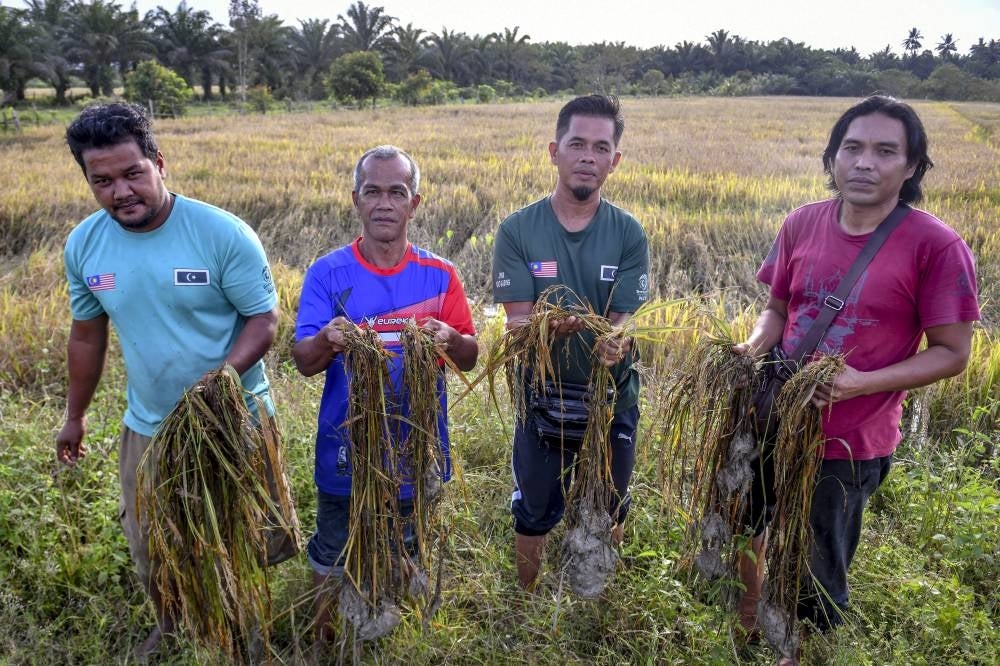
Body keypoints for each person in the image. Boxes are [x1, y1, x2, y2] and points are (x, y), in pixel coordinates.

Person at [733, 95, 980, 663]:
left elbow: (952, 353)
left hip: (850, 440)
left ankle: (800, 651)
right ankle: (748, 625)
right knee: (750, 522)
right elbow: (776, 309)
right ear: (833, 157)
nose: (865, 162)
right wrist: (751, 347)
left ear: (912, 166)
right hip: (774, 412)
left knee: (818, 561)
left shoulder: (936, 247)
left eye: (885, 151)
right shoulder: (801, 223)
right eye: (853, 148)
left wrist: (860, 382)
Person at [56, 102, 293, 658]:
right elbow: (87, 336)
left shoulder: (221, 234)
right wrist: (74, 415)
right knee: (153, 542)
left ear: (159, 163)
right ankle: (173, 622)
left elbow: (264, 321)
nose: (121, 191)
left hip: (232, 418)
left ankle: (246, 637)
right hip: (150, 424)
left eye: (133, 173)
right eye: (103, 181)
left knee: (239, 537)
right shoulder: (86, 246)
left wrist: (219, 382)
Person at [292, 145, 479, 640]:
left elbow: (469, 357)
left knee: (406, 539)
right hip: (345, 445)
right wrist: (328, 340)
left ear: (414, 203)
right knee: (334, 544)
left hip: (415, 446)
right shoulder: (328, 273)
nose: (384, 203)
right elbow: (305, 362)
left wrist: (451, 338)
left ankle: (390, 628)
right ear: (356, 199)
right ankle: (323, 640)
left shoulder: (440, 276)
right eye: (372, 191)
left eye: (397, 192)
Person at [491, 94, 650, 590]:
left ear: (614, 161)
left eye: (600, 147)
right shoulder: (517, 230)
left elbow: (620, 319)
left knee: (609, 500)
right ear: (553, 151)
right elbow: (517, 324)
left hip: (610, 398)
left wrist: (614, 340)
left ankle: (594, 593)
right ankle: (526, 602)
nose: (588, 156)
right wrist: (543, 325)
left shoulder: (628, 233)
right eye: (576, 143)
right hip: (544, 396)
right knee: (534, 508)